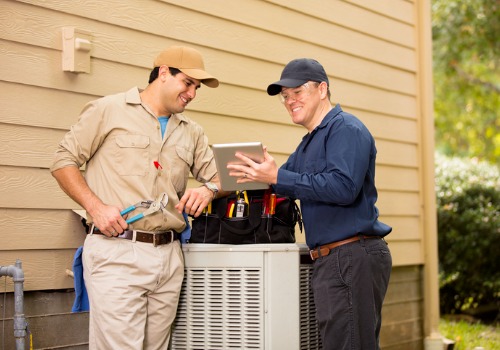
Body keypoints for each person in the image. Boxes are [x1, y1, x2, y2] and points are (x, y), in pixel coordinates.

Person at [51, 46, 225, 349]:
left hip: (169, 256)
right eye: (187, 83)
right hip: (117, 251)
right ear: (163, 73)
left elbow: (223, 177)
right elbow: (63, 161)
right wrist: (95, 206)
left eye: (197, 87)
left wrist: (208, 188)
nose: (192, 94)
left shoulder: (191, 132)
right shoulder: (109, 110)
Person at [227, 58, 393, 349]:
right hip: (331, 260)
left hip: (351, 255)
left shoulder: (346, 129)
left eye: (298, 92)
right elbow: (281, 184)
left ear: (322, 89)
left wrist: (279, 176)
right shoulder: (307, 144)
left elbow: (344, 188)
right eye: (285, 97)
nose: (290, 101)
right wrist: (222, 184)